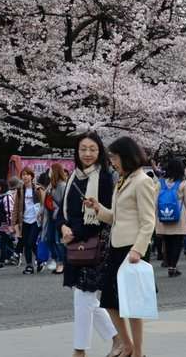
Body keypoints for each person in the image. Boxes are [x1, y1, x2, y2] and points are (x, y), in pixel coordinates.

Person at [86, 136, 157, 357]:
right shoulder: (123, 180)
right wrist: (98, 209)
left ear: (126, 157)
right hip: (117, 246)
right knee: (109, 300)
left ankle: (138, 351)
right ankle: (127, 345)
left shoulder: (142, 181)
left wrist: (138, 250)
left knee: (134, 305)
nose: (113, 162)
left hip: (132, 250)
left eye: (115, 158)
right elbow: (117, 217)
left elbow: (148, 221)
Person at [56, 132, 120, 357]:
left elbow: (103, 216)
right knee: (86, 298)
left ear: (100, 151)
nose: (87, 153)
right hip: (75, 244)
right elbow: (62, 211)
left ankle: (79, 350)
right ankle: (119, 341)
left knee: (83, 296)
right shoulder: (73, 176)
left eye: (92, 149)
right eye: (83, 149)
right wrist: (63, 227)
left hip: (95, 245)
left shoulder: (104, 178)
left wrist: (74, 233)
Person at [156, 158, 186, 277]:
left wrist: (155, 216)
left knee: (167, 242)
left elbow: (155, 201)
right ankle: (173, 267)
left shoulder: (160, 182)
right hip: (179, 216)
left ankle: (169, 264)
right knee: (177, 242)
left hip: (164, 215)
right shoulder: (183, 183)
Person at [14, 167, 45, 274]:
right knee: (26, 244)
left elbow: (44, 205)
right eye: (23, 174)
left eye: (27, 174)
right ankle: (29, 266)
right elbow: (16, 208)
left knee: (31, 242)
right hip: (24, 220)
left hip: (36, 220)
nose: (25, 176)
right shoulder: (20, 190)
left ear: (32, 176)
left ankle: (40, 260)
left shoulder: (38, 189)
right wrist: (14, 223)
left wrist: (43, 218)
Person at [43, 163, 68, 274]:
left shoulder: (62, 185)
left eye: (51, 171)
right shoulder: (51, 185)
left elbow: (65, 203)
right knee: (50, 239)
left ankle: (61, 263)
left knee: (58, 241)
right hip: (50, 216)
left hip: (58, 217)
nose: (49, 173)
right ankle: (57, 260)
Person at [0, 178, 18, 270]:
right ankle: (13, 256)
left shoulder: (6, 197)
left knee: (2, 244)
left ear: (2, 187)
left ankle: (2, 262)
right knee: (3, 243)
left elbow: (10, 211)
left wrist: (10, 225)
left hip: (5, 225)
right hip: (0, 225)